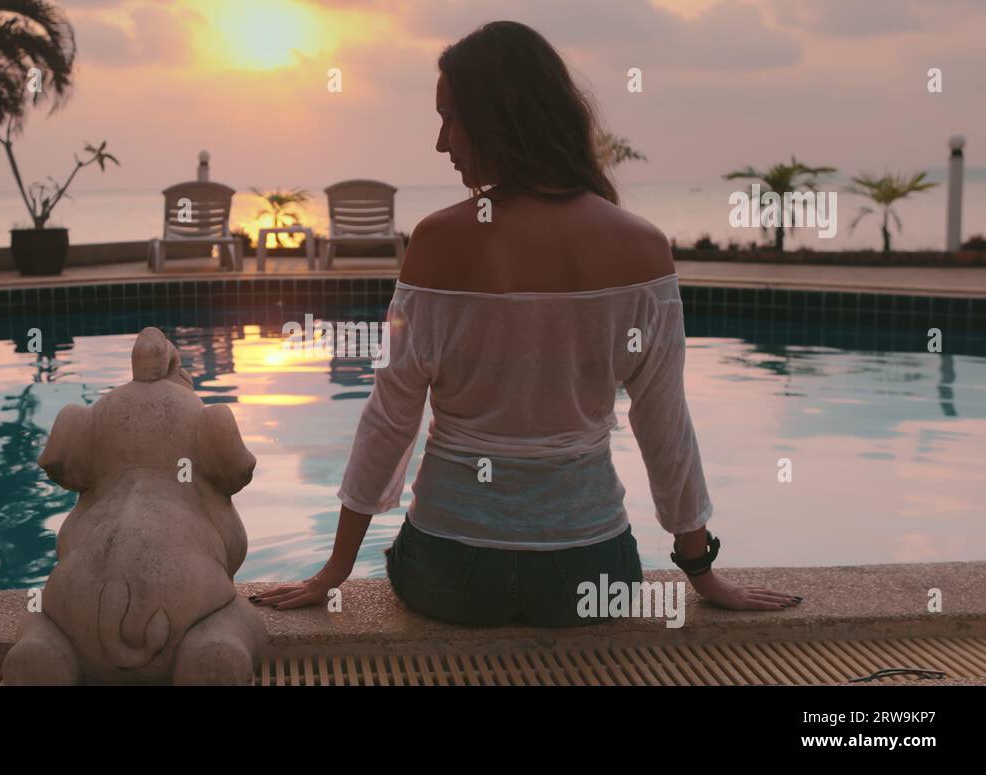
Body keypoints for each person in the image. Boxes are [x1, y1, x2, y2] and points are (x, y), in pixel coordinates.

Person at [251, 20, 801, 624]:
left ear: (498, 118)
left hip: (450, 572)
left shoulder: (438, 241)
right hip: (590, 573)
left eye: (450, 117)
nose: (441, 142)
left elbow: (391, 417)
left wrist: (335, 571)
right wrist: (701, 570)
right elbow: (665, 423)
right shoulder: (641, 247)